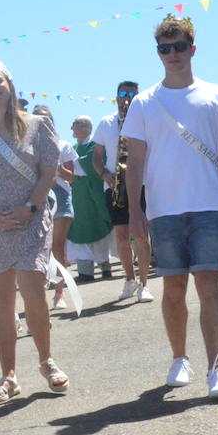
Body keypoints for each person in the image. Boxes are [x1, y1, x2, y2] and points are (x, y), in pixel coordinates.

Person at [123, 15, 218, 400]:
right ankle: (180, 358)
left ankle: (216, 369)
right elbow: (135, 162)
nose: (172, 54)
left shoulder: (216, 95)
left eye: (179, 47)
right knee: (173, 286)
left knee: (210, 285)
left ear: (192, 48)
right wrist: (134, 213)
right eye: (164, 48)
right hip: (163, 209)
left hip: (208, 204)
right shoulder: (144, 102)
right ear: (158, 53)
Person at [0, 60, 70, 404]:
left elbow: (48, 171)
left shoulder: (37, 126)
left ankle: (47, 361)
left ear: (10, 84)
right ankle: (8, 376)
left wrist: (31, 208)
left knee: (32, 289)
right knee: (2, 302)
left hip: (30, 221)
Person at [94, 81, 153, 303]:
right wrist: (104, 174)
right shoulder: (106, 123)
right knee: (121, 236)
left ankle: (144, 285)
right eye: (123, 93)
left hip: (141, 184)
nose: (126, 98)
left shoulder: (145, 122)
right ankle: (129, 279)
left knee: (141, 235)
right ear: (116, 96)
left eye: (131, 94)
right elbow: (96, 156)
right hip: (114, 186)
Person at [32, 105, 77, 308]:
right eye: (38, 119)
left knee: (57, 247)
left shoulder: (63, 145)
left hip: (60, 194)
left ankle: (59, 294)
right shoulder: (27, 145)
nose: (42, 122)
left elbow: (71, 177)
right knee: (39, 249)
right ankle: (39, 293)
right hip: (37, 195)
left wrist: (55, 166)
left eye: (46, 119)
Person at [65, 115, 114, 285]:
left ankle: (105, 266)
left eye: (75, 124)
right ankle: (85, 272)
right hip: (78, 198)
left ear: (86, 127)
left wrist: (66, 165)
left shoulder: (95, 145)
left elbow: (82, 166)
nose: (72, 128)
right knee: (80, 233)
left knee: (98, 230)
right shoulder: (74, 147)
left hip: (93, 196)